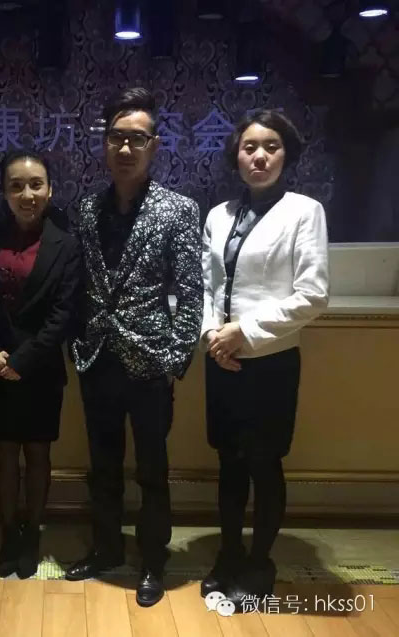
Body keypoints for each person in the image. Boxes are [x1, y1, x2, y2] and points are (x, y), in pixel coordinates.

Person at [65, 87, 203, 607]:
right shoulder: (86, 209)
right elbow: (79, 286)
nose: (126, 148)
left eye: (137, 139)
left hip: (149, 364)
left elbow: (191, 292)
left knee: (151, 470)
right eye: (117, 137)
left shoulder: (178, 210)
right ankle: (105, 548)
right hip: (97, 358)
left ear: (155, 145)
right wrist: (78, 343)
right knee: (102, 464)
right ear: (104, 143)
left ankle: (152, 560)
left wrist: (174, 359)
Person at [200, 109, 329, 607]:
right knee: (228, 462)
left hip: (270, 360)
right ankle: (229, 553)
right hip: (222, 358)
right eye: (249, 147)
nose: (259, 156)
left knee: (263, 462)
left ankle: (259, 561)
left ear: (286, 154)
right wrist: (213, 335)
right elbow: (208, 286)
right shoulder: (219, 214)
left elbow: (313, 295)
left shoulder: (304, 211)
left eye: (271, 146)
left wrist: (245, 332)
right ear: (236, 155)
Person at [0, 150, 80, 579]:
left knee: (37, 454)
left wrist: (23, 359)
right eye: (16, 186)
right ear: (3, 192)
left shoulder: (66, 245)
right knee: (3, 453)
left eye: (36, 185)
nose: (27, 194)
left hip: (40, 370)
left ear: (50, 190)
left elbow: (63, 315)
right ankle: (8, 532)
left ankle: (32, 532)